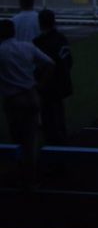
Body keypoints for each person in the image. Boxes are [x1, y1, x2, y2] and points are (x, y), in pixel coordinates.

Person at [0, 19, 53, 189]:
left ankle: (21, 176)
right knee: (30, 140)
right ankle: (30, 178)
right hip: (31, 95)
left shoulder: (1, 51)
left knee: (16, 138)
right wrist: (41, 85)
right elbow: (50, 64)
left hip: (14, 99)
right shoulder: (27, 47)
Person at [33, 9, 72, 147]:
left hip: (47, 85)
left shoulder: (39, 42)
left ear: (40, 23)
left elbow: (38, 66)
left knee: (48, 116)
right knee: (59, 113)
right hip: (61, 82)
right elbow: (69, 61)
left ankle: (52, 145)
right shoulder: (62, 38)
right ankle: (62, 141)